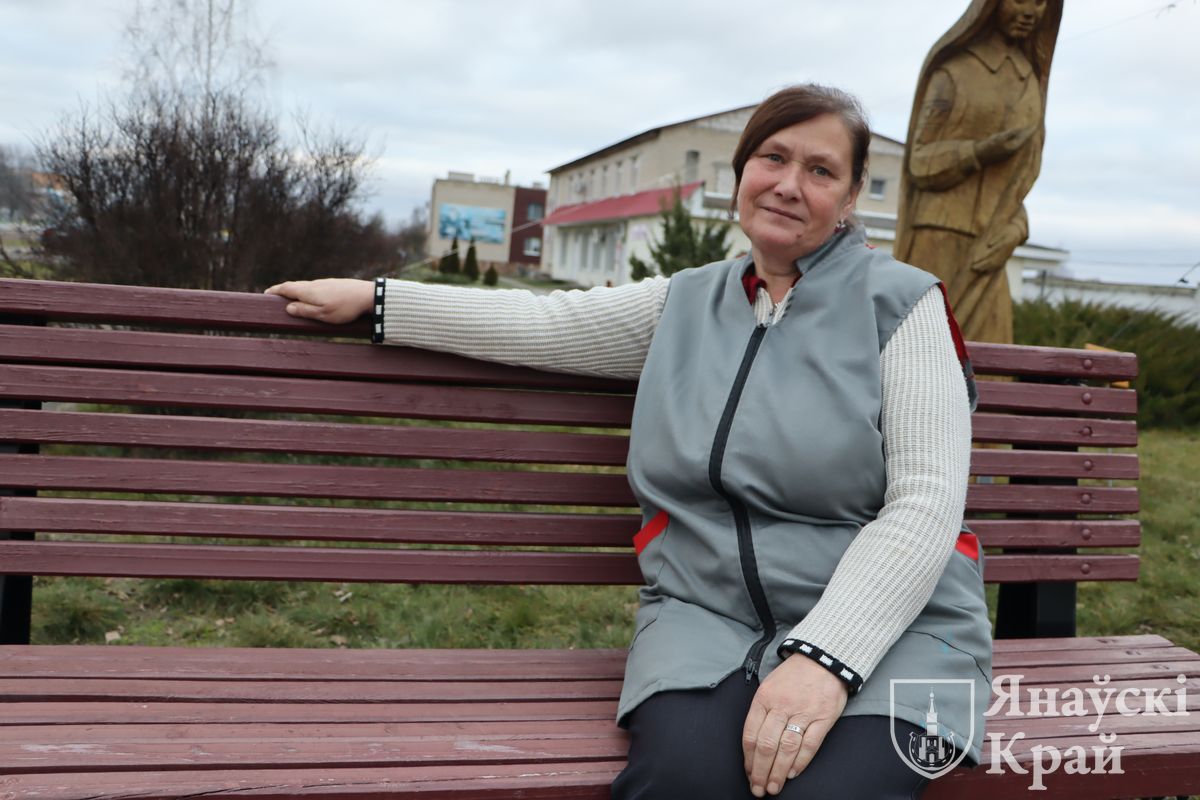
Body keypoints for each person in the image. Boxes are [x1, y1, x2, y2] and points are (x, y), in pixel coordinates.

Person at [266, 84, 992, 799]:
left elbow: (925, 505)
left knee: (831, 794)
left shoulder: (902, 305)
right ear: (742, 170)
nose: (788, 185)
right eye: (773, 158)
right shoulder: (686, 302)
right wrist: (380, 301)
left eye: (821, 170)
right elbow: (544, 326)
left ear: (853, 194)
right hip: (708, 618)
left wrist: (827, 659)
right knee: (679, 781)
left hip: (897, 630)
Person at [894, 0, 1063, 344]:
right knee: (919, 351)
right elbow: (919, 162)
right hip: (938, 239)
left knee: (991, 364)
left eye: (1040, 2)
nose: (1030, 12)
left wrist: (1016, 230)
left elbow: (1018, 183)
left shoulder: (1030, 82)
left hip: (991, 250)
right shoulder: (953, 72)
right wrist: (980, 151)